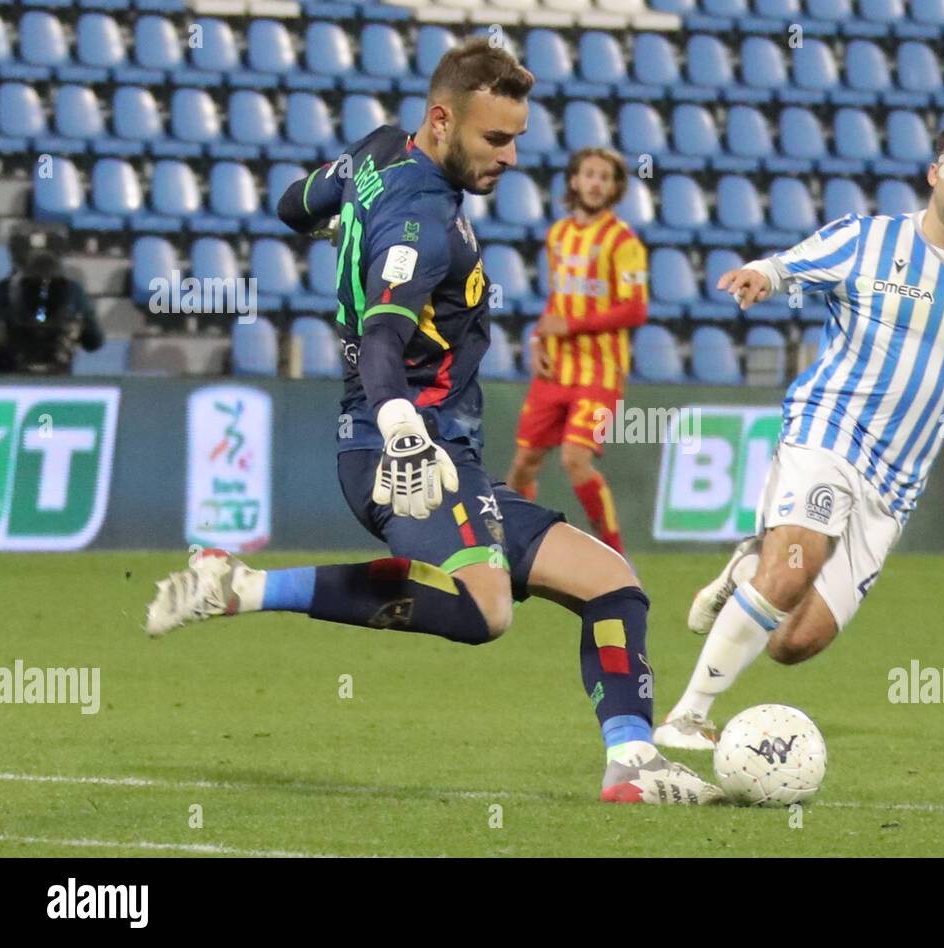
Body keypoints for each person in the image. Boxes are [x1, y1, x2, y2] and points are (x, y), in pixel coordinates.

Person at [144, 37, 718, 805]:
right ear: (444, 121)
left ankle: (632, 764)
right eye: (496, 139)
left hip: (449, 453)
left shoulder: (377, 152)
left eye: (517, 137)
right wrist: (402, 425)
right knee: (488, 613)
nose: (511, 157)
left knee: (613, 585)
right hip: (402, 448)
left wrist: (349, 222)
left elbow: (293, 206)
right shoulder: (420, 219)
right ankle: (239, 586)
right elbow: (383, 334)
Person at [653, 113, 944, 749]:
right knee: (794, 570)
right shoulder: (866, 239)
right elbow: (789, 265)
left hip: (897, 479)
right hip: (829, 428)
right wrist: (760, 277)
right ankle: (687, 717)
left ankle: (748, 570)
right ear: (936, 171)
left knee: (794, 643)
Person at [504, 147, 648, 556]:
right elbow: (558, 300)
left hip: (601, 372)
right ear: (573, 181)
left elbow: (636, 308)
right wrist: (538, 339)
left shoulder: (624, 242)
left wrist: (572, 325)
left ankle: (615, 556)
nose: (596, 183)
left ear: (615, 187)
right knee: (523, 464)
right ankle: (515, 550)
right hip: (555, 371)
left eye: (605, 177)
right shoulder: (557, 235)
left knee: (574, 460)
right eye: (589, 174)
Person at [0, 242, 102, 374]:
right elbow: (94, 342)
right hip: (55, 378)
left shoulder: (1, 290)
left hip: (9, 379)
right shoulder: (74, 291)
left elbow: (94, 341)